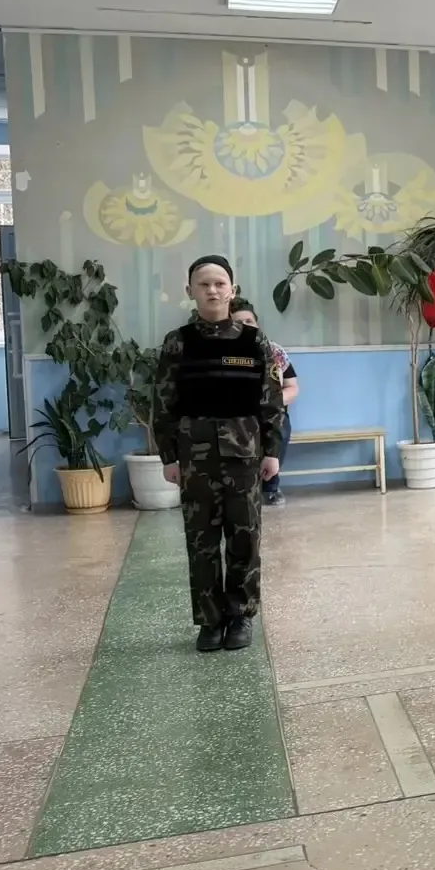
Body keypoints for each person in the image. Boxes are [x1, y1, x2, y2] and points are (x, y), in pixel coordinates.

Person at [152, 255, 285, 652]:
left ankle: (240, 616)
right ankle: (209, 621)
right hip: (195, 458)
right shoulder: (178, 342)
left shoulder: (254, 341)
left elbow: (271, 400)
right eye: (203, 284)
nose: (212, 290)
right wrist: (169, 457)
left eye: (219, 283)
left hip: (245, 455)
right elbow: (163, 402)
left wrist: (272, 451)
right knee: (202, 541)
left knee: (245, 537)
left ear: (232, 290)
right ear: (190, 291)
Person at [230, 298, 296, 505]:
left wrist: (271, 402)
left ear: (257, 324)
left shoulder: (274, 351)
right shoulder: (223, 353)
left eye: (249, 321)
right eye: (238, 323)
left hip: (270, 411)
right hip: (235, 412)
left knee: (280, 424)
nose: (245, 326)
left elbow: (292, 387)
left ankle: (270, 486)